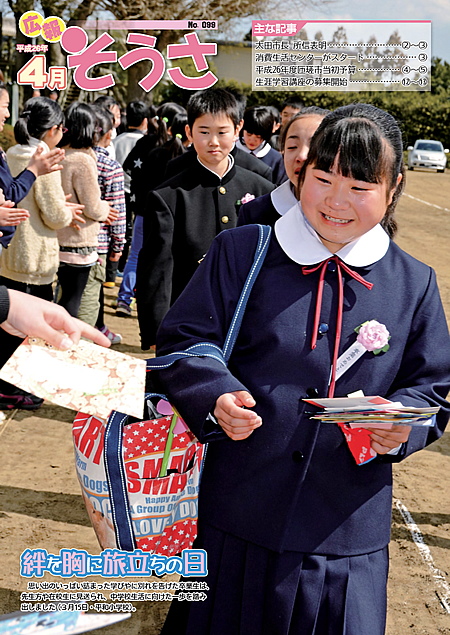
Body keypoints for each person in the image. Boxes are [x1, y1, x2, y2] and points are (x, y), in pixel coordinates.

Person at [155, 104, 450, 635]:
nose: (337, 201)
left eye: (361, 187)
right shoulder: (242, 251)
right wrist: (215, 393)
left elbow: (433, 389)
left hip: (344, 536)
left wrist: (402, 427)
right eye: (323, 179)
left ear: (393, 187)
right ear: (301, 171)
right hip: (236, 515)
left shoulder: (415, 282)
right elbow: (186, 338)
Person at [135, 88, 274, 350]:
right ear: (189, 132)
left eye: (222, 132)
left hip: (249, 319)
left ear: (238, 129)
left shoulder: (261, 189)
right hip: (188, 320)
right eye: (204, 132)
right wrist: (157, 329)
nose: (214, 141)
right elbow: (157, 269)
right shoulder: (169, 196)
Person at [116, 112, 189, 318]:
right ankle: (152, 306)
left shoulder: (155, 152)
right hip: (171, 218)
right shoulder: (187, 159)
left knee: (136, 255)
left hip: (144, 212)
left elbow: (137, 178)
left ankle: (124, 298)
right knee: (163, 260)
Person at [57, 102, 116, 318]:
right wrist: (106, 208)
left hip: (60, 235)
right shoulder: (82, 160)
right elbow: (92, 206)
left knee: (62, 297)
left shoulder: (61, 153)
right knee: (75, 302)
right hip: (79, 239)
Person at [77, 106, 125, 343]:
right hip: (98, 244)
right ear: (108, 134)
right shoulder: (110, 167)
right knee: (88, 301)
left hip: (64, 241)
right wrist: (118, 246)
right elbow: (117, 214)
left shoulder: (66, 157)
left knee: (66, 297)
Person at [238, 106, 329, 227]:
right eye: (292, 147)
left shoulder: (353, 212)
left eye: (314, 147)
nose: (301, 156)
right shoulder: (254, 213)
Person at [0, 82, 65, 249]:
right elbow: (55, 215)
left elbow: (8, 193)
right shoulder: (43, 160)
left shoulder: (12, 151)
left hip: (11, 255)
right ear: (53, 129)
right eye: (4, 106)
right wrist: (67, 212)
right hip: (35, 254)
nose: (7, 114)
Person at [236, 105, 287, 185]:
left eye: (258, 137)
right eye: (249, 134)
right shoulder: (230, 151)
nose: (252, 140)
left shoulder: (276, 159)